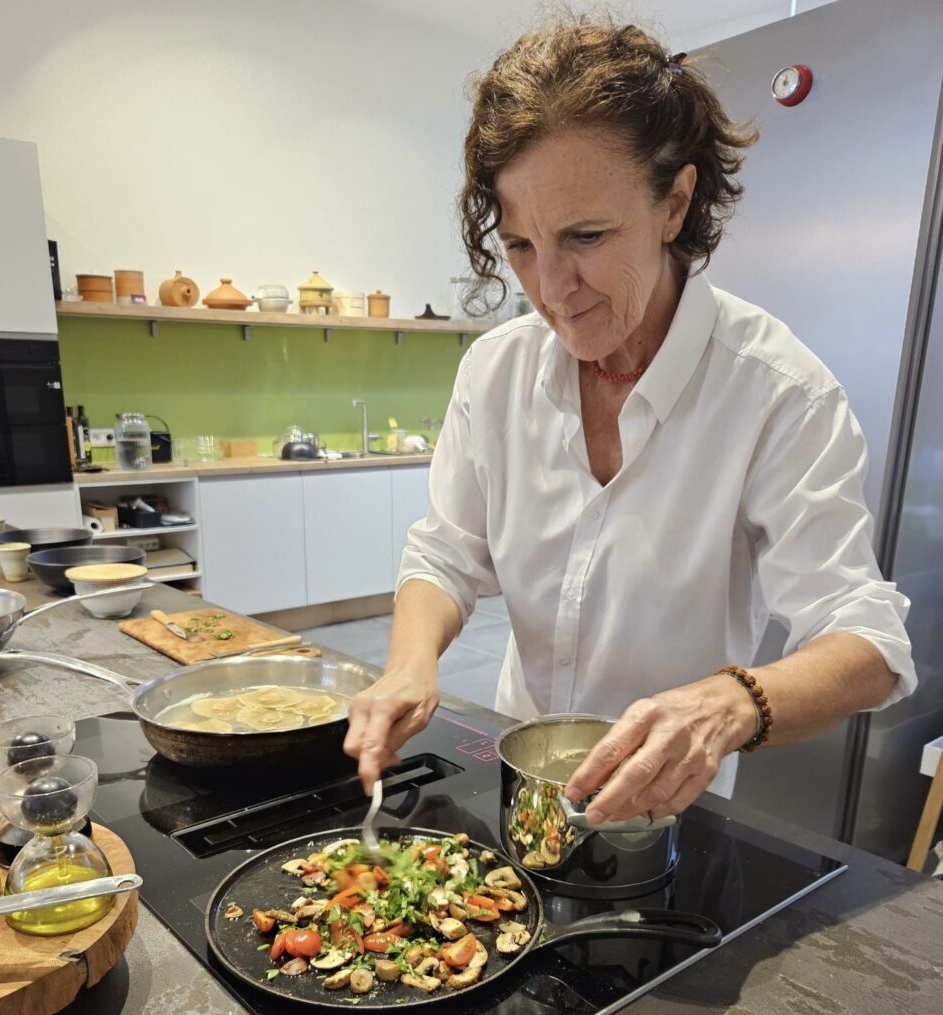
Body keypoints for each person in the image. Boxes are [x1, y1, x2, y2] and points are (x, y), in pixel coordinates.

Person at [343, 18, 915, 825]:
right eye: (519, 245)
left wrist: (729, 704)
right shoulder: (497, 370)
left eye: (585, 236)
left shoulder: (776, 393)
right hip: (524, 773)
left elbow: (867, 642)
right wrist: (407, 665)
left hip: (669, 810)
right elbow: (446, 552)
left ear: (674, 203)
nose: (551, 288)